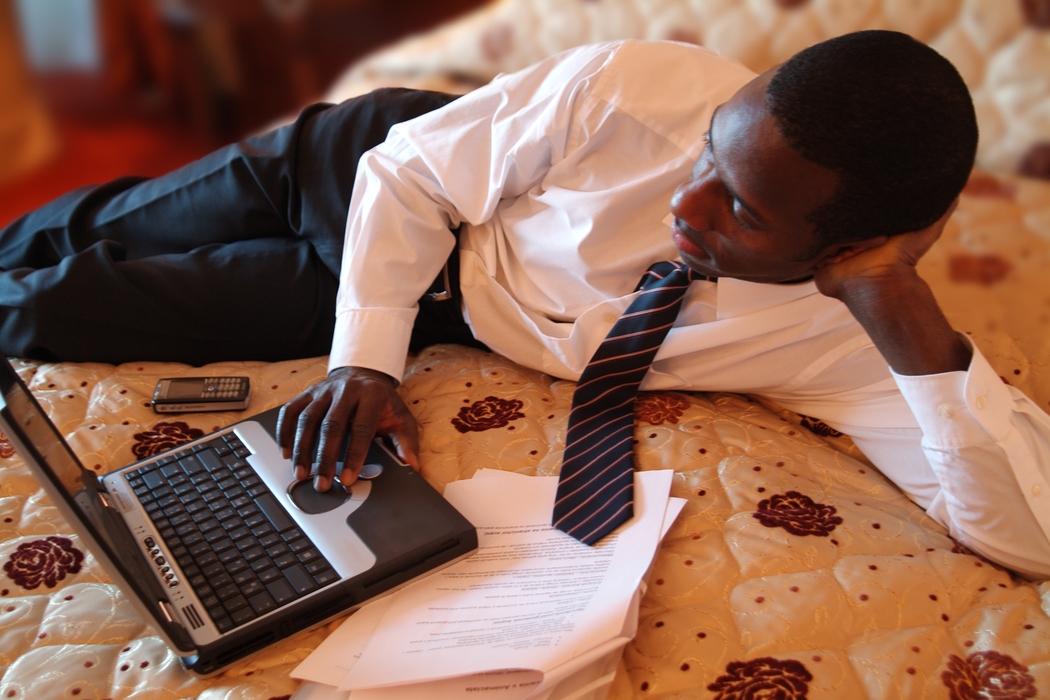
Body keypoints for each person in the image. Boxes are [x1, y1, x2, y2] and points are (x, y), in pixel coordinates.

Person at [2, 31, 1048, 577]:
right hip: (371, 171)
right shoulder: (636, 86)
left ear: (856, 250)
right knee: (79, 231)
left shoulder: (857, 338)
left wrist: (900, 312)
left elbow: (1026, 536)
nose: (686, 204)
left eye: (739, 207)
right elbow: (409, 175)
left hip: (443, 304)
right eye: (710, 153)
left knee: (54, 309)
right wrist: (362, 361)